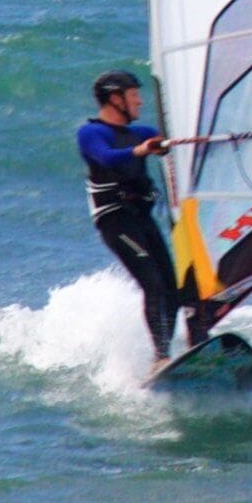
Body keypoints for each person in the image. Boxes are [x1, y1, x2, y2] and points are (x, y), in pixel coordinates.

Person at [78, 70, 184, 359]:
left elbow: (169, 144)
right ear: (115, 99)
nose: (140, 101)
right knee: (153, 283)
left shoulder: (143, 132)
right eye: (134, 95)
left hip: (142, 217)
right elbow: (106, 157)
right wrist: (141, 150)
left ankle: (170, 355)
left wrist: (170, 145)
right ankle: (161, 356)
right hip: (115, 219)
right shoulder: (92, 133)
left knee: (172, 290)